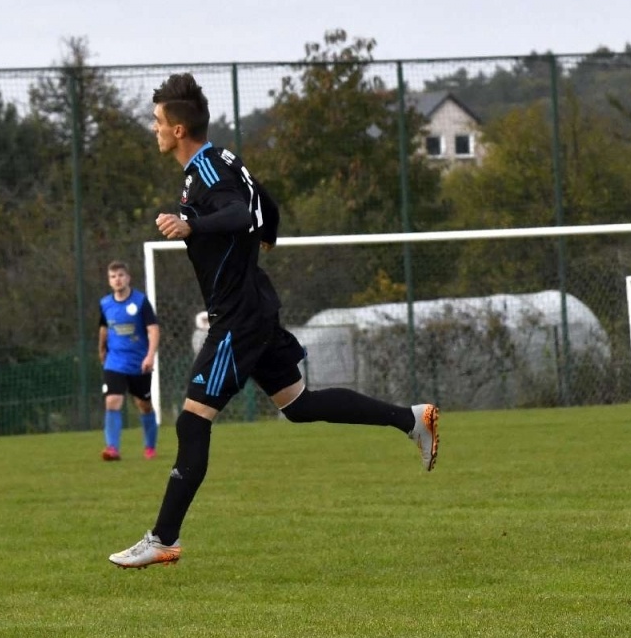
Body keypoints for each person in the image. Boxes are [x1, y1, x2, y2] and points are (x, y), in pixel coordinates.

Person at [109, 74, 440, 569]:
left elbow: (243, 212)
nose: (153, 128)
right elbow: (264, 203)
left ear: (179, 129)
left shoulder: (206, 174)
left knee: (190, 420)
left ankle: (162, 538)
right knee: (300, 405)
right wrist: (271, 236)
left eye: (157, 121)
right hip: (255, 306)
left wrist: (192, 225)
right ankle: (412, 419)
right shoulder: (221, 158)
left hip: (238, 317)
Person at [98, 261, 161, 460]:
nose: (117, 279)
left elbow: (153, 330)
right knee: (112, 401)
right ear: (109, 281)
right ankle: (112, 448)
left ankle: (150, 446)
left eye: (120, 275)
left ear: (128, 278)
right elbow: (104, 328)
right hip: (115, 362)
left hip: (139, 363)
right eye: (113, 276)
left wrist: (150, 355)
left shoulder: (141, 302)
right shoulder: (105, 304)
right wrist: (101, 349)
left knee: (144, 405)